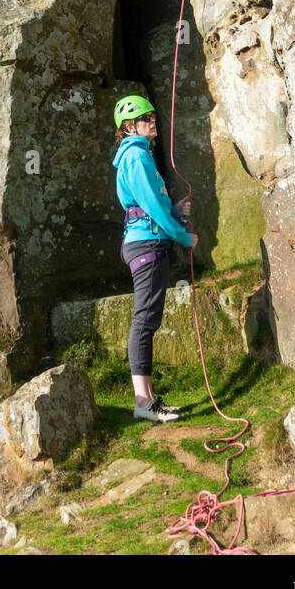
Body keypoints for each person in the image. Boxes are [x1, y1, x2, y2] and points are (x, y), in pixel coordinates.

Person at [113, 94, 198, 423]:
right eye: (146, 118)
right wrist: (182, 235)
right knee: (144, 320)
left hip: (147, 240)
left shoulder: (139, 155)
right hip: (146, 244)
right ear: (130, 126)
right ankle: (142, 403)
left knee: (147, 320)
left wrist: (175, 213)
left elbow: (150, 204)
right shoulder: (135, 156)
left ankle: (147, 399)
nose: (153, 121)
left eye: (152, 116)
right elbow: (149, 203)